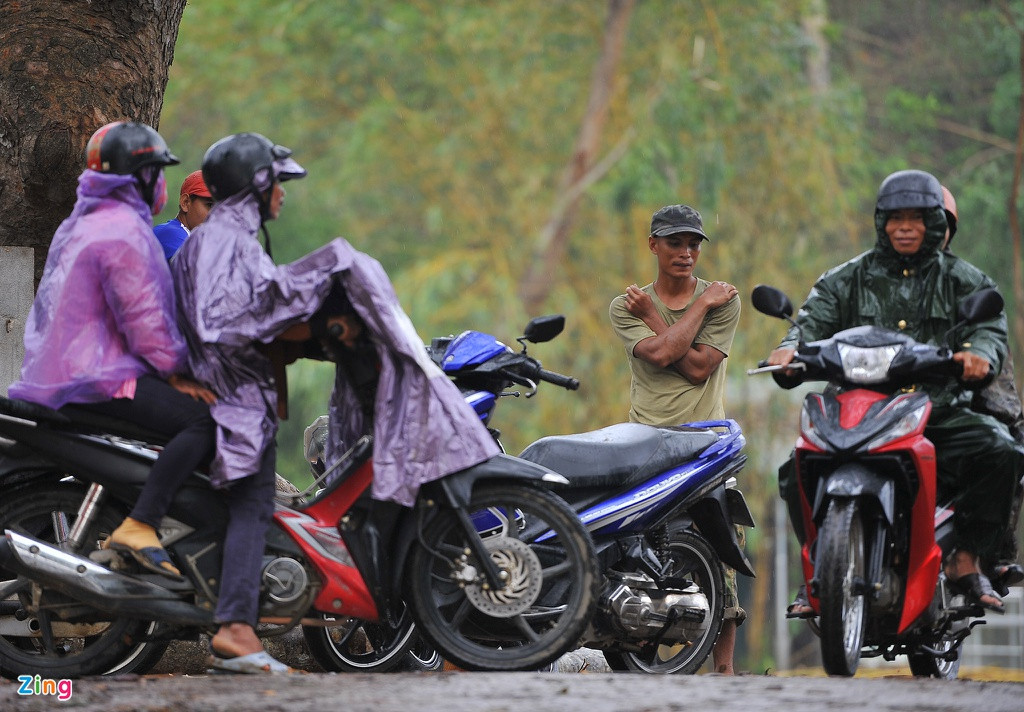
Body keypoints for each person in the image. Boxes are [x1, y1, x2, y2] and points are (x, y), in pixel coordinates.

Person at [172, 132, 498, 674]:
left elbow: (256, 314)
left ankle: (236, 619)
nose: (283, 194)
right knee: (252, 504)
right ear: (254, 185)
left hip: (237, 392)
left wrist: (326, 336)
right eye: (277, 183)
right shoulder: (225, 242)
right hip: (230, 400)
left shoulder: (229, 240)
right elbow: (237, 321)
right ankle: (234, 632)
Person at [769, 169, 1024, 614]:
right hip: (856, 408)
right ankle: (818, 575)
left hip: (938, 408)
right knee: (796, 468)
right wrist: (789, 351)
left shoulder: (966, 280)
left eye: (917, 217)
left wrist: (978, 354)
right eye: (895, 218)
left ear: (935, 224)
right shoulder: (846, 278)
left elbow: (988, 330)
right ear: (881, 222)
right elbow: (809, 325)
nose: (905, 227)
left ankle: (967, 559)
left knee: (999, 448)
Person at [8, 121, 216, 580]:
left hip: (60, 373)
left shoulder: (83, 221)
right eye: (156, 172)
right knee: (205, 419)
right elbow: (148, 326)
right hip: (96, 378)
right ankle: (141, 525)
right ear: (139, 177)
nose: (161, 183)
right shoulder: (125, 231)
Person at [609, 204, 744, 675]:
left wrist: (680, 311)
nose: (686, 253)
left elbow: (697, 368)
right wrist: (675, 313)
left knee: (725, 544)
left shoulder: (723, 300)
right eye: (674, 243)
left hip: (706, 443)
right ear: (653, 246)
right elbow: (667, 353)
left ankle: (724, 670)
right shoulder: (626, 305)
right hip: (646, 442)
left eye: (693, 244)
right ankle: (636, 645)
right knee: (634, 544)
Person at [941, 185, 1024, 591]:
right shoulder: (872, 279)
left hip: (958, 396)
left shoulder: (969, 284)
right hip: (890, 398)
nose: (917, 230)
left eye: (932, 222)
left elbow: (992, 348)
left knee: (1007, 437)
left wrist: (975, 365)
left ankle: (993, 553)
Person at [153, 170, 214, 260]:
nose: (216, 214)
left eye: (221, 208)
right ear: (185, 202)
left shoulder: (168, 230)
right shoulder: (174, 236)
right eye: (210, 205)